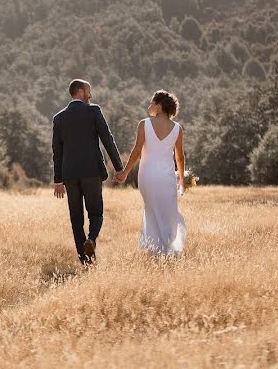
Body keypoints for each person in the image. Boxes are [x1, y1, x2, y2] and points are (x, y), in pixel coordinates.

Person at [52, 79, 124, 264]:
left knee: (76, 218)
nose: (91, 95)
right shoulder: (93, 111)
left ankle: (85, 260)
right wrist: (119, 168)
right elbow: (107, 139)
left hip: (69, 175)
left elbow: (57, 152)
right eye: (89, 91)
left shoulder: (59, 118)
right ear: (81, 91)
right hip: (91, 171)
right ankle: (91, 239)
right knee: (96, 213)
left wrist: (58, 180)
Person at [114, 90, 187, 256]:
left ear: (159, 106)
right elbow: (180, 158)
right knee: (168, 212)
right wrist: (181, 180)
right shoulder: (177, 129)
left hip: (147, 177)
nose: (149, 106)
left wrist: (125, 173)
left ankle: (154, 250)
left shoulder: (144, 124)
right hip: (167, 178)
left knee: (151, 211)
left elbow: (136, 150)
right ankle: (168, 248)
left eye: (152, 103)